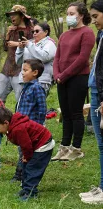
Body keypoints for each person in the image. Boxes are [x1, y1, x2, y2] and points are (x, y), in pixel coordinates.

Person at [52, 2, 95, 162]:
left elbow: (82, 59)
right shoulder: (64, 35)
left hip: (77, 78)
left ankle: (76, 148)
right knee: (66, 113)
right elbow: (57, 57)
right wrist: (57, 74)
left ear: (81, 15)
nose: (69, 16)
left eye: (72, 13)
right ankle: (64, 147)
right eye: (68, 13)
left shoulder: (87, 33)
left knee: (76, 113)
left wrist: (64, 75)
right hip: (61, 78)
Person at [0, 107, 55, 201]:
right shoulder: (12, 125)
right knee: (25, 166)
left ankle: (31, 193)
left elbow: (26, 145)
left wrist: (27, 156)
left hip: (43, 145)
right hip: (35, 145)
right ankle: (26, 189)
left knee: (32, 168)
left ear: (6, 123)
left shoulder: (18, 129)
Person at [81, 1, 103, 205]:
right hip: (95, 90)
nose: (93, 20)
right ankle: (102, 187)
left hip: (101, 95)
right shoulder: (101, 35)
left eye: (96, 16)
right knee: (101, 145)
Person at [11, 59, 47, 182]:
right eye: (22, 70)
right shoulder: (26, 87)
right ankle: (20, 173)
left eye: (25, 70)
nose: (22, 73)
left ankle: (21, 175)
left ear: (35, 72)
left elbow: (42, 109)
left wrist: (38, 126)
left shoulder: (37, 88)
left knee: (26, 151)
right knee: (22, 149)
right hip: (22, 126)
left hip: (30, 128)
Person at [0, 5, 33, 104]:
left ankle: (20, 118)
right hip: (7, 68)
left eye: (14, 15)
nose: (11, 17)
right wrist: (8, 35)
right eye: (10, 15)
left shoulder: (30, 30)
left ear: (21, 16)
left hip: (20, 69)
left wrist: (17, 44)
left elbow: (33, 48)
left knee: (19, 98)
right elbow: (5, 48)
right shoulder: (12, 30)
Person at [16, 22, 57, 96]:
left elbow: (45, 57)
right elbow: (19, 62)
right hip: (25, 79)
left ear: (46, 32)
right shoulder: (30, 43)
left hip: (41, 80)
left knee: (37, 105)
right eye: (33, 31)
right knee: (22, 104)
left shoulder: (50, 44)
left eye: (37, 31)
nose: (34, 33)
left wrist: (29, 45)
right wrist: (20, 49)